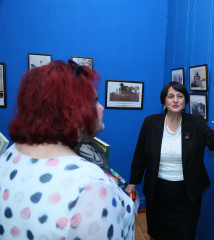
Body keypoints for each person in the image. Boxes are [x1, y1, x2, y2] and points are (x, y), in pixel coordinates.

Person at [0, 60, 135, 239]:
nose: (102, 108)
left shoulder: (9, 155)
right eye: (94, 100)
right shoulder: (92, 186)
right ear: (71, 111)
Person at [125, 82, 214, 240]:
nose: (175, 100)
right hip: (157, 192)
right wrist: (133, 182)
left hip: (187, 195)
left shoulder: (196, 123)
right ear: (164, 102)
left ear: (185, 101)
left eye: (180, 96)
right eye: (171, 96)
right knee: (156, 234)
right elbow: (140, 154)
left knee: (185, 235)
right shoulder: (151, 122)